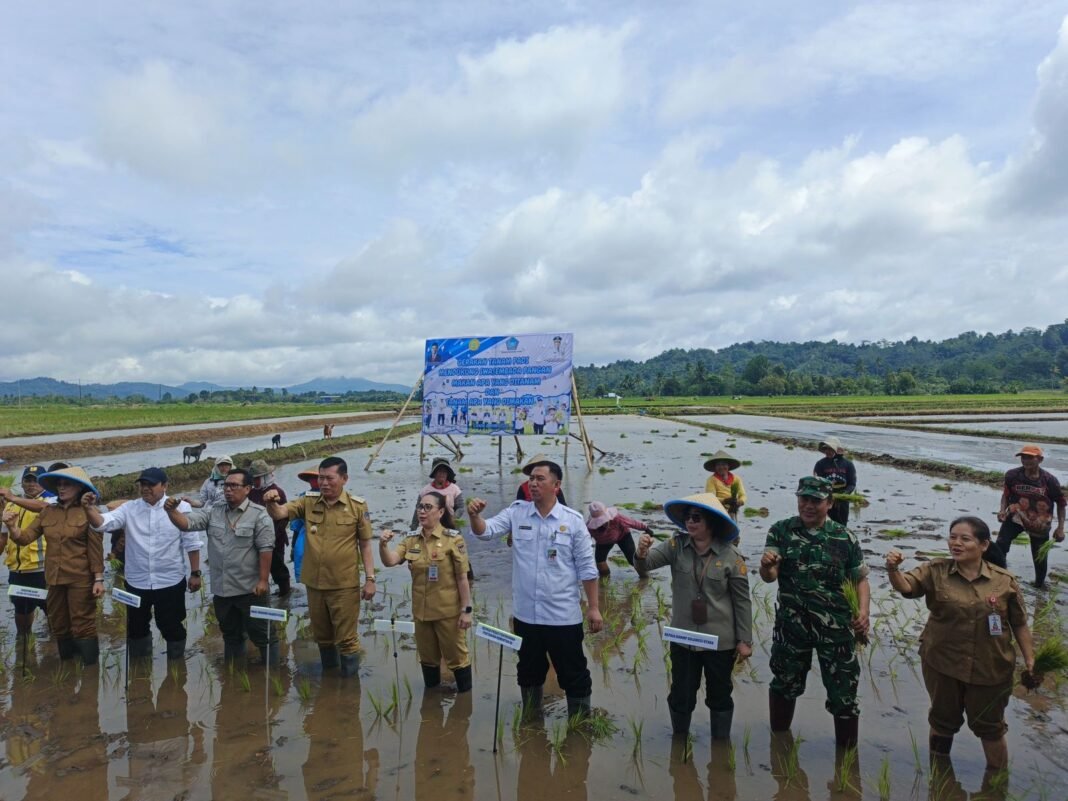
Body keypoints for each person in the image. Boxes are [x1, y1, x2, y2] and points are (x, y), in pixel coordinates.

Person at [885, 517, 1035, 771]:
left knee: (991, 727)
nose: (956, 543)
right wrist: (893, 570)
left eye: (965, 538)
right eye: (953, 537)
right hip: (943, 662)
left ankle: (996, 782)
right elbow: (907, 587)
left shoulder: (1003, 580)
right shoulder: (936, 570)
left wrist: (1030, 660)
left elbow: (1019, 623)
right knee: (942, 720)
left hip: (991, 667)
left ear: (983, 544)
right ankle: (940, 776)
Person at [468, 457, 602, 719]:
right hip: (526, 615)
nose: (534, 483)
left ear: (557, 484)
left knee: (574, 673)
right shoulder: (516, 513)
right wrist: (475, 516)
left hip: (563, 616)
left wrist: (594, 608)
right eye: (531, 478)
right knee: (528, 672)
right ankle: (531, 719)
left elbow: (588, 569)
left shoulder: (572, 521)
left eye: (540, 478)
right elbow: (485, 532)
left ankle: (580, 723)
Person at [759, 476, 870, 748]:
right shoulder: (781, 531)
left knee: (844, 693)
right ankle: (780, 745)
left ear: (829, 503)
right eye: (803, 499)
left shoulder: (845, 537)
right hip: (792, 627)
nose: (808, 505)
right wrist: (767, 565)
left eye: (816, 500)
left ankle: (846, 760)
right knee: (784, 684)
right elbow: (770, 576)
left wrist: (864, 611)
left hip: (836, 629)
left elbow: (860, 579)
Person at [636, 493, 752, 739]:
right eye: (687, 517)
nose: (690, 522)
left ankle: (721, 746)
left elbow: (742, 601)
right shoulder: (675, 546)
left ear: (711, 522)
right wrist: (641, 553)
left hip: (719, 642)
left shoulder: (732, 556)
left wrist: (744, 640)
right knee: (681, 695)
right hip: (683, 638)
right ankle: (679, 742)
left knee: (720, 696)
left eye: (696, 517)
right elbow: (644, 567)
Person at [264, 456, 376, 676]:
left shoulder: (357, 506)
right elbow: (280, 513)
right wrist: (270, 502)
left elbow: (365, 545)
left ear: (344, 478)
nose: (324, 483)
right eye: (321, 478)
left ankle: (349, 690)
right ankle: (331, 681)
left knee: (347, 640)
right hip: (314, 584)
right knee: (322, 637)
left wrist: (370, 579)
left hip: (343, 585)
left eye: (329, 478)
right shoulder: (308, 501)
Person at [85, 467, 203, 661]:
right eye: (142, 484)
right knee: (136, 627)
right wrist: (89, 509)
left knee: (171, 626)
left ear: (165, 486)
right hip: (136, 582)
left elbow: (192, 542)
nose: (145, 488)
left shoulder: (180, 509)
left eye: (151, 484)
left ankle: (176, 667)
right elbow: (103, 524)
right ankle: (140, 669)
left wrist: (195, 573)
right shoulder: (130, 508)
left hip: (170, 580)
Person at [164, 468, 277, 665]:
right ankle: (234, 675)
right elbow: (186, 524)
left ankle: (273, 673)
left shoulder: (259, 515)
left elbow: (266, 550)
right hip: (222, 591)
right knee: (231, 635)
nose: (228, 489)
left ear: (248, 489)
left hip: (250, 590)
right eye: (226, 485)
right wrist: (171, 511)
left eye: (234, 485)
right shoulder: (213, 512)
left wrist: (263, 580)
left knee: (262, 633)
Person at [6, 466, 104, 664]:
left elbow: (96, 550)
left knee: (82, 624)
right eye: (59, 484)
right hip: (53, 579)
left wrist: (98, 579)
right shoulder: (48, 512)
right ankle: (68, 669)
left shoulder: (88, 513)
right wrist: (13, 528)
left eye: (66, 484)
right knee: (59, 624)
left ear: (79, 488)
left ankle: (90, 673)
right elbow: (25, 538)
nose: (61, 488)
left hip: (80, 579)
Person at [379, 491, 473, 691]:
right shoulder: (412, 540)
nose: (422, 511)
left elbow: (462, 578)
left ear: (440, 512)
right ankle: (432, 701)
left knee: (457, 659)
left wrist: (466, 610)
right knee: (428, 659)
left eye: (428, 507)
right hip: (421, 613)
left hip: (447, 613)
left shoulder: (453, 540)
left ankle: (465, 705)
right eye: (420, 507)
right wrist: (383, 545)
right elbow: (390, 561)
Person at [993, 444, 1066, 588]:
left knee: (1039, 556)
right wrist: (1002, 510)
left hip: (1039, 522)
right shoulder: (1012, 475)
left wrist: (1060, 528)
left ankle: (1039, 584)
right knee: (1001, 544)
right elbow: (1006, 495)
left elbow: (1061, 503)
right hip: (1016, 516)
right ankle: (998, 575)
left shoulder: (1049, 480)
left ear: (1040, 459)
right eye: (1023, 457)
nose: (1026, 460)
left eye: (1030, 457)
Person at [0, 466, 49, 635]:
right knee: (21, 612)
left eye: (36, 480)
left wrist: (12, 497)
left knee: (53, 614)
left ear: (44, 483)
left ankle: (56, 650)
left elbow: (43, 506)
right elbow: (3, 538)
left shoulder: (51, 502)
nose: (31, 484)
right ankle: (24, 644)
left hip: (43, 571)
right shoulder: (10, 507)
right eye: (28, 480)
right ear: (22, 483)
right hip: (18, 571)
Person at [249, 459, 292, 597]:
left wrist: (275, 536)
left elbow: (284, 517)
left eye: (257, 479)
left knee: (277, 566)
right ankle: (262, 591)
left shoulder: (277, 492)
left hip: (276, 537)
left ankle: (285, 592)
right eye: (253, 479)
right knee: (258, 567)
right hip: (255, 536)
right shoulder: (251, 492)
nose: (255, 482)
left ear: (265, 476)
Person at [586, 500, 649, 578]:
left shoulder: (616, 518)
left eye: (605, 520)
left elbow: (632, 522)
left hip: (623, 536)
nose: (604, 523)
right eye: (600, 522)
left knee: (632, 559)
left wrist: (646, 528)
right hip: (603, 542)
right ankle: (605, 581)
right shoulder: (590, 527)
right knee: (600, 562)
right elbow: (585, 539)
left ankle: (645, 578)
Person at [813, 436, 857, 526]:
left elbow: (852, 483)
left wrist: (844, 494)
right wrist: (827, 496)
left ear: (837, 450)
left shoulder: (848, 464)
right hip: (825, 500)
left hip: (842, 500)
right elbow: (817, 483)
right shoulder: (820, 464)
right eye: (826, 449)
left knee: (841, 526)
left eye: (830, 449)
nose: (827, 451)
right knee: (824, 525)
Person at [289, 466, 321, 584]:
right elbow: (296, 526)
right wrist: (293, 547)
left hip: (327, 536)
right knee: (308, 574)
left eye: (316, 478)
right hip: (305, 537)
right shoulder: (303, 497)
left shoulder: (332, 496)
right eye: (311, 478)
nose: (314, 481)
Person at [703, 450, 747, 519]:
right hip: (717, 511)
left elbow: (743, 495)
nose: (721, 467)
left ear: (728, 466)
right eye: (718, 465)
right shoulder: (711, 480)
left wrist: (740, 502)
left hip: (733, 509)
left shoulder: (736, 479)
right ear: (715, 467)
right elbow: (711, 498)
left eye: (724, 464)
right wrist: (725, 501)